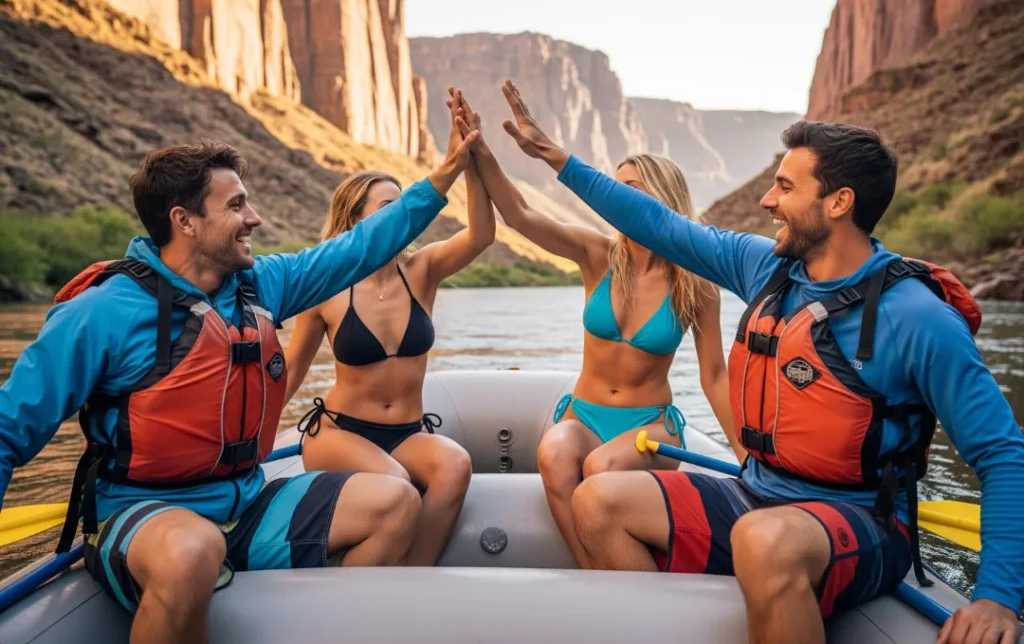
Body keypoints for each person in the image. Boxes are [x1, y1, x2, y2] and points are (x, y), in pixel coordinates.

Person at [497, 80, 1024, 644]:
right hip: (758, 490)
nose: (767, 201)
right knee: (598, 501)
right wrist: (556, 158)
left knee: (764, 539)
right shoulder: (763, 268)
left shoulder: (917, 318)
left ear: (838, 202)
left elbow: (1001, 454)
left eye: (784, 188)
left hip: (863, 520)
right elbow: (659, 224)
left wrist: (996, 596)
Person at [0, 128, 478, 644]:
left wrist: (448, 170)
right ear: (184, 221)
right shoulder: (101, 312)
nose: (255, 218)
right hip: (144, 512)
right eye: (236, 206)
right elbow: (9, 430)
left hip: (246, 505)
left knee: (394, 502)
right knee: (192, 550)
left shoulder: (261, 285)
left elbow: (360, 247)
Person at [447, 87, 742, 569]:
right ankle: (594, 571)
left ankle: (622, 582)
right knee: (556, 452)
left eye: (633, 189)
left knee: (602, 469)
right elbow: (520, 215)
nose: (619, 197)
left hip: (650, 428)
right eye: (617, 186)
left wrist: (750, 459)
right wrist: (479, 147)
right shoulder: (598, 254)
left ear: (661, 199)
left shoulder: (695, 281)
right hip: (583, 416)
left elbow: (714, 377)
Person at [284, 96, 495, 566]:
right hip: (340, 432)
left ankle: (412, 577)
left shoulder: (422, 269)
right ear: (356, 219)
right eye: (388, 207)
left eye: (405, 207)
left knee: (455, 465)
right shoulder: (327, 285)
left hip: (406, 431)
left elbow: (482, 235)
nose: (403, 217)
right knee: (396, 482)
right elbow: (292, 369)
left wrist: (472, 159)